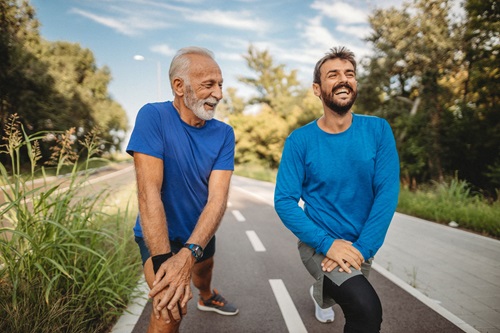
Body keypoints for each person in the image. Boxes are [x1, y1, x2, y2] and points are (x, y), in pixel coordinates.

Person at [274, 46, 400, 332]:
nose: (344, 79)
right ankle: (324, 286)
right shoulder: (299, 141)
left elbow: (387, 193)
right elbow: (284, 201)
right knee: (366, 309)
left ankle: (322, 292)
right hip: (318, 245)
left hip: (360, 246)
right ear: (317, 89)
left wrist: (361, 248)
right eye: (333, 75)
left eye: (349, 74)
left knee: (353, 299)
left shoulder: (378, 130)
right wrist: (327, 244)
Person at [127, 46, 238, 333]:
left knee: (203, 272)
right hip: (159, 234)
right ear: (179, 86)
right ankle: (183, 287)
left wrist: (189, 254)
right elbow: (148, 193)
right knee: (169, 306)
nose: (219, 93)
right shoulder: (153, 117)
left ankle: (206, 295)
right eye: (209, 85)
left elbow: (217, 200)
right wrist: (168, 263)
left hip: (200, 231)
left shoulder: (224, 133)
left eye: (220, 84)